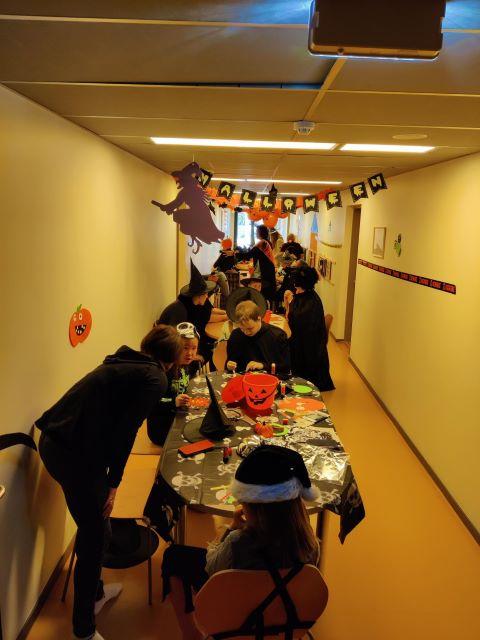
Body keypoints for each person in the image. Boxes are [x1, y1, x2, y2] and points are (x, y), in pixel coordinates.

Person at [35, 325, 183, 640]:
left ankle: (97, 594)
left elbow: (121, 411)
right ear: (172, 359)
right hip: (72, 454)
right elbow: (125, 433)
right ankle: (83, 630)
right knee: (96, 536)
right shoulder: (155, 377)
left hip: (54, 441)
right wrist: (114, 484)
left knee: (96, 528)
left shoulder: (128, 362)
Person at [162, 444, 321, 640]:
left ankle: (191, 634)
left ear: (253, 509)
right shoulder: (309, 544)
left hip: (238, 619)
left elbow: (211, 569)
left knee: (173, 556)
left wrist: (231, 528)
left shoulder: (237, 543)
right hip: (284, 617)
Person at [158, 258, 227, 367]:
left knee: (213, 346)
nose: (207, 296)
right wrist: (194, 355)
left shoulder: (191, 305)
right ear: (198, 296)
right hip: (171, 354)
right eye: (205, 294)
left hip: (184, 345)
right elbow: (175, 341)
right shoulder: (180, 310)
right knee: (212, 350)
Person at [147, 322, 201, 446]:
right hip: (162, 429)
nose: (190, 353)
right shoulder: (163, 371)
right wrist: (173, 401)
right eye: (185, 348)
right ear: (174, 347)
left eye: (194, 348)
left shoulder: (187, 364)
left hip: (178, 416)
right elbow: (153, 402)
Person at [285, 265, 334, 391]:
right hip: (309, 339)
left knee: (281, 343)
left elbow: (294, 321)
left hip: (309, 345)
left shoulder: (308, 302)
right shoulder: (309, 296)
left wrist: (289, 302)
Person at [226, 299, 290, 376]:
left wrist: (263, 365)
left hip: (270, 379)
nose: (246, 332)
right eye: (242, 329)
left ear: (259, 319)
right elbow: (230, 363)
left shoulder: (277, 336)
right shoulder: (236, 335)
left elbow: (285, 368)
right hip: (243, 379)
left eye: (250, 328)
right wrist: (229, 366)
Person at [238, 225, 276, 303]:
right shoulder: (267, 242)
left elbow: (248, 255)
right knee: (264, 297)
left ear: (260, 232)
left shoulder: (262, 243)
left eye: (257, 232)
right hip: (268, 273)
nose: (255, 233)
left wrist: (235, 254)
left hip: (264, 274)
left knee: (258, 296)